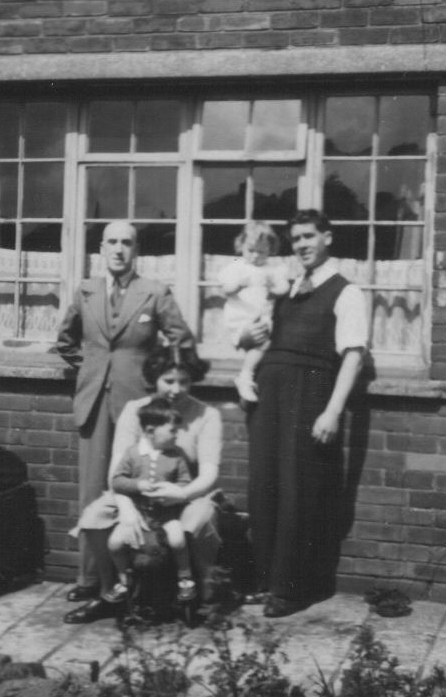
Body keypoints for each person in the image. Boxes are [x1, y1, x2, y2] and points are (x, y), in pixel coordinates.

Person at [56, 220, 195, 604]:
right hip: (94, 402)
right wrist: (91, 368)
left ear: (137, 250)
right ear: (101, 248)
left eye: (127, 243)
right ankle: (91, 580)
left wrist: (159, 382)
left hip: (138, 405)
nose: (119, 249)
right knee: (92, 490)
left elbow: (182, 341)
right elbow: (65, 341)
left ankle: (140, 581)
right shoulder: (86, 290)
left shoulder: (154, 292)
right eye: (112, 242)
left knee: (140, 487)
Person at [244, 210, 367, 619]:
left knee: (299, 488)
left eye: (309, 236)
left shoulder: (346, 292)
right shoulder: (289, 287)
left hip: (311, 393)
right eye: (295, 239)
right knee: (265, 484)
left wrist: (333, 410)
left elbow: (353, 355)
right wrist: (247, 370)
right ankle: (265, 579)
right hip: (271, 397)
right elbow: (260, 338)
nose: (301, 245)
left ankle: (292, 588)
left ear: (327, 237)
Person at [64, 344, 222, 624]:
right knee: (95, 515)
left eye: (184, 382)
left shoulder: (206, 415)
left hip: (187, 493)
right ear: (154, 378)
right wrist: (126, 509)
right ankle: (110, 592)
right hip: (137, 494)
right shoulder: (135, 410)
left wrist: (182, 493)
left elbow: (209, 473)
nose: (176, 389)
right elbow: (117, 470)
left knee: (197, 519)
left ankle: (201, 595)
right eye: (168, 381)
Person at [107, 397, 197, 604]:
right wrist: (138, 485)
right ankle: (124, 579)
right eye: (172, 431)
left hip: (166, 513)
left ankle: (185, 577)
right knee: (114, 543)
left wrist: (173, 491)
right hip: (138, 514)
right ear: (149, 431)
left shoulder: (176, 456)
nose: (177, 435)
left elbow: (185, 482)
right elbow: (117, 481)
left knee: (177, 539)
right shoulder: (133, 453)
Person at [218, 221, 290, 405]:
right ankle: (246, 376)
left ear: (270, 250)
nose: (255, 256)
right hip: (240, 316)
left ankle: (245, 376)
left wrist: (274, 289)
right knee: (260, 343)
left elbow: (284, 288)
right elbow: (225, 290)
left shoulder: (272, 269)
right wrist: (238, 285)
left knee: (264, 343)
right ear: (241, 245)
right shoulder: (237, 266)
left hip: (261, 316)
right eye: (250, 250)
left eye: (261, 252)